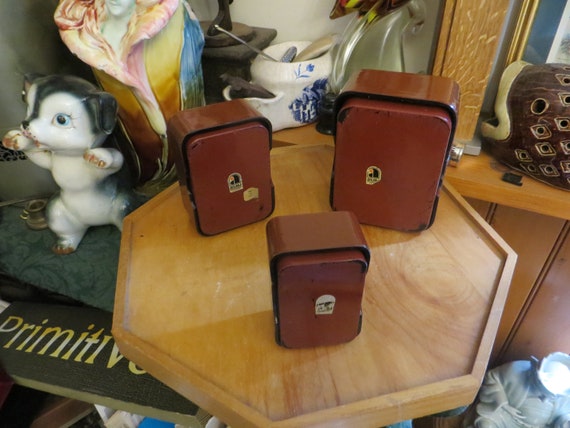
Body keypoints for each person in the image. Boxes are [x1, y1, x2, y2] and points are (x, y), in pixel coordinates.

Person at [55, 0, 205, 194]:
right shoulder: (83, 30)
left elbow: (190, 84)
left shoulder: (170, 17)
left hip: (190, 152)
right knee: (140, 153)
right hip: (136, 159)